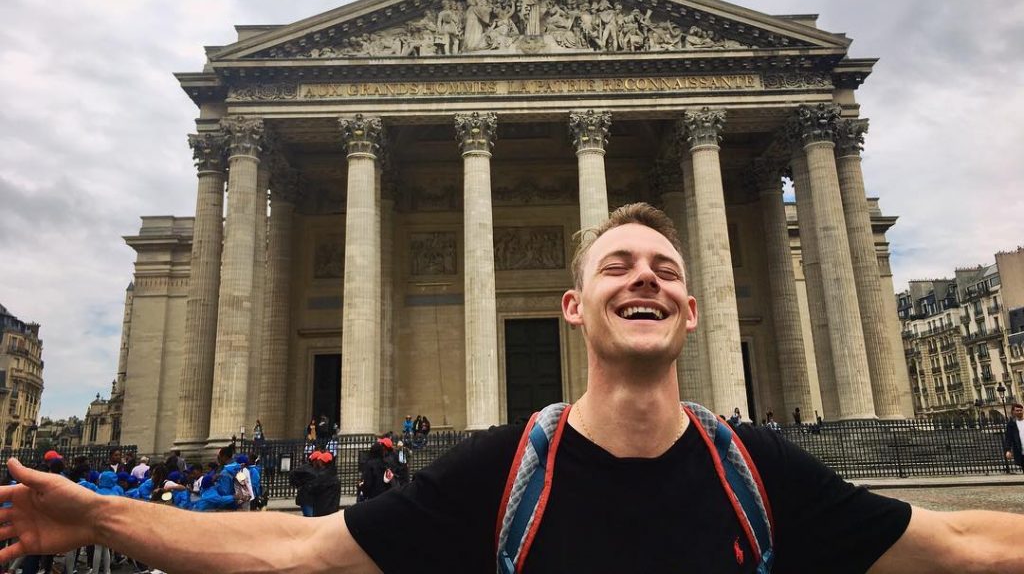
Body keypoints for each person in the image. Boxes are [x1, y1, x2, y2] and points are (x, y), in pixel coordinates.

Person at [5, 203, 1024, 572]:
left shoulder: (760, 470)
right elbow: (293, 552)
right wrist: (98, 511)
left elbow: (966, 544)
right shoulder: (500, 475)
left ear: (693, 312)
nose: (646, 276)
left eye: (667, 266)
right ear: (572, 308)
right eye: (618, 263)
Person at [1004, 402, 1024, 472]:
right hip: (1021, 453)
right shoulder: (1011, 425)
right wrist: (1008, 450)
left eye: (1021, 410)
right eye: (1017, 410)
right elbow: (1008, 438)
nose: (1019, 412)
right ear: (1013, 412)